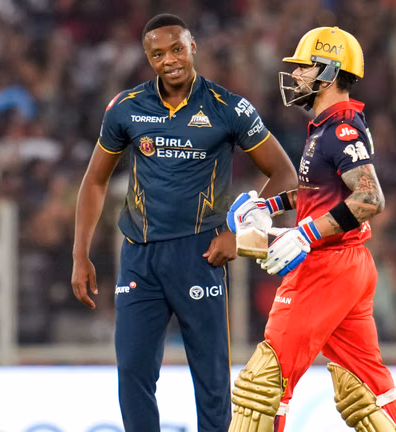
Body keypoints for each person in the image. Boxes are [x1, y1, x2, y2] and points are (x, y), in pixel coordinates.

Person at [70, 14, 297, 432]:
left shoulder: (228, 108)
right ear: (148, 59)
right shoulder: (126, 107)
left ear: (193, 47)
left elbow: (285, 175)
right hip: (139, 256)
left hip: (199, 255)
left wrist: (239, 232)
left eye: (177, 49)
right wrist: (80, 254)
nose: (169, 60)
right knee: (133, 374)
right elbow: (95, 180)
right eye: (158, 54)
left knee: (211, 381)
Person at [226, 27, 396, 432]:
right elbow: (320, 192)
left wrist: (306, 234)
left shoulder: (340, 129)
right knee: (366, 393)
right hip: (348, 266)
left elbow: (369, 199)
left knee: (264, 385)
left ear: (328, 72)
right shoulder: (331, 127)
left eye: (303, 68)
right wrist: (271, 205)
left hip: (326, 268)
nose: (295, 77)